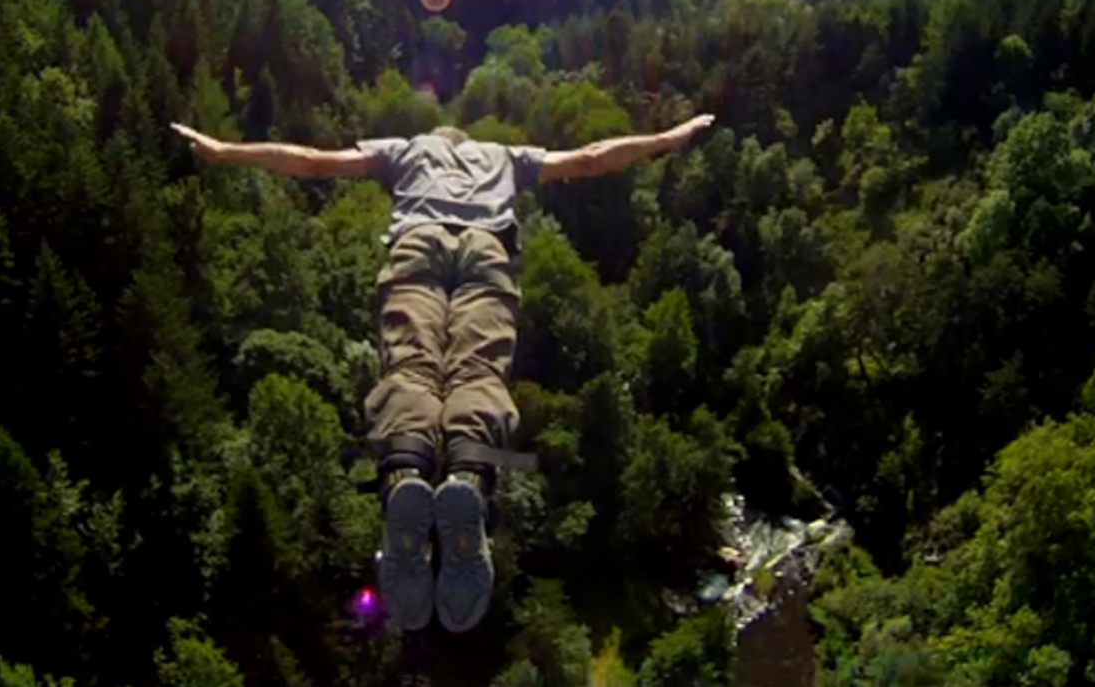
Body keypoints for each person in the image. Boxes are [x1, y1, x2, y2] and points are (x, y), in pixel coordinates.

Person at [169, 114, 716, 634]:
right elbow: (593, 158)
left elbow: (312, 162)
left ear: (435, 137)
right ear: (468, 140)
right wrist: (670, 137)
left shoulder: (405, 151)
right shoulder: (505, 157)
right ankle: (467, 480)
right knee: (477, 370)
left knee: (412, 363)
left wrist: (223, 151)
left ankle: (407, 477)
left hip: (417, 246)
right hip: (485, 253)